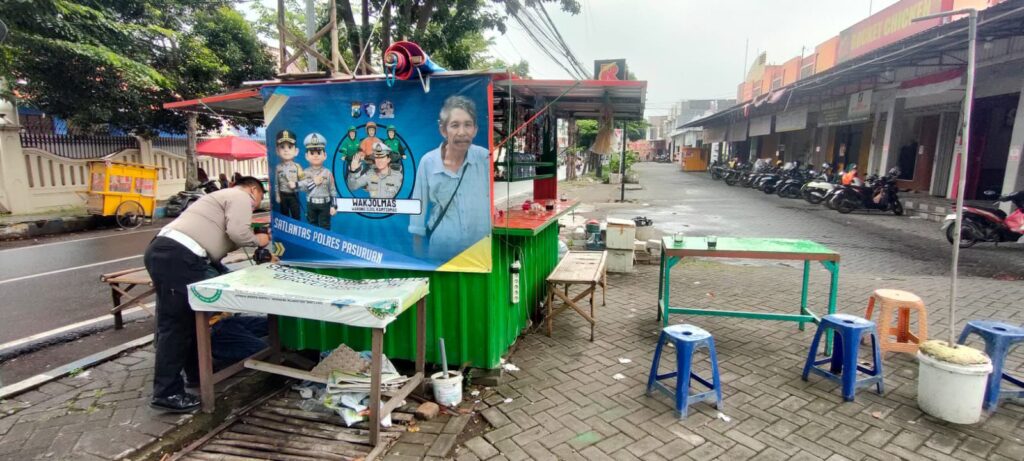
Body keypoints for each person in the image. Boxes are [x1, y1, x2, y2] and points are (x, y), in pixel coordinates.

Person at [143, 176, 270, 413]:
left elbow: (221, 238)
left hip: (169, 253)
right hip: (178, 256)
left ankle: (196, 374)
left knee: (192, 320)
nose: (254, 207)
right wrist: (258, 240)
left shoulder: (218, 199)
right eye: (259, 199)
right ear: (254, 190)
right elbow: (238, 232)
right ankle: (166, 392)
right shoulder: (240, 196)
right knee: (177, 326)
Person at [408, 95, 491, 260]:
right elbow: (418, 207)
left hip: (480, 252)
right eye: (455, 125)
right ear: (443, 130)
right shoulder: (428, 162)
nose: (462, 132)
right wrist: (418, 255)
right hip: (442, 250)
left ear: (475, 129)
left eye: (468, 125)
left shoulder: (485, 159)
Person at [299, 133, 337, 230]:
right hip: (311, 204)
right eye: (312, 153)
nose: (315, 156)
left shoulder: (328, 173)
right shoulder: (305, 173)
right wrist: (314, 183)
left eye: (319, 153)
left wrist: (334, 206)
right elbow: (302, 188)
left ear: (325, 155)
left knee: (325, 227)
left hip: (325, 204)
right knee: (312, 227)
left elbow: (333, 190)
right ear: (306, 156)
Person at [274, 130, 303, 219]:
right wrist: (277, 195)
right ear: (277, 151)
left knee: (296, 215)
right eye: (282, 147)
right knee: (284, 215)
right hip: (283, 195)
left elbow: (304, 182)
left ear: (296, 151)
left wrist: (296, 185)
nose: (286, 150)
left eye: (290, 147)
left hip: (294, 195)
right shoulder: (278, 167)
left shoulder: (297, 167)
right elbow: (276, 183)